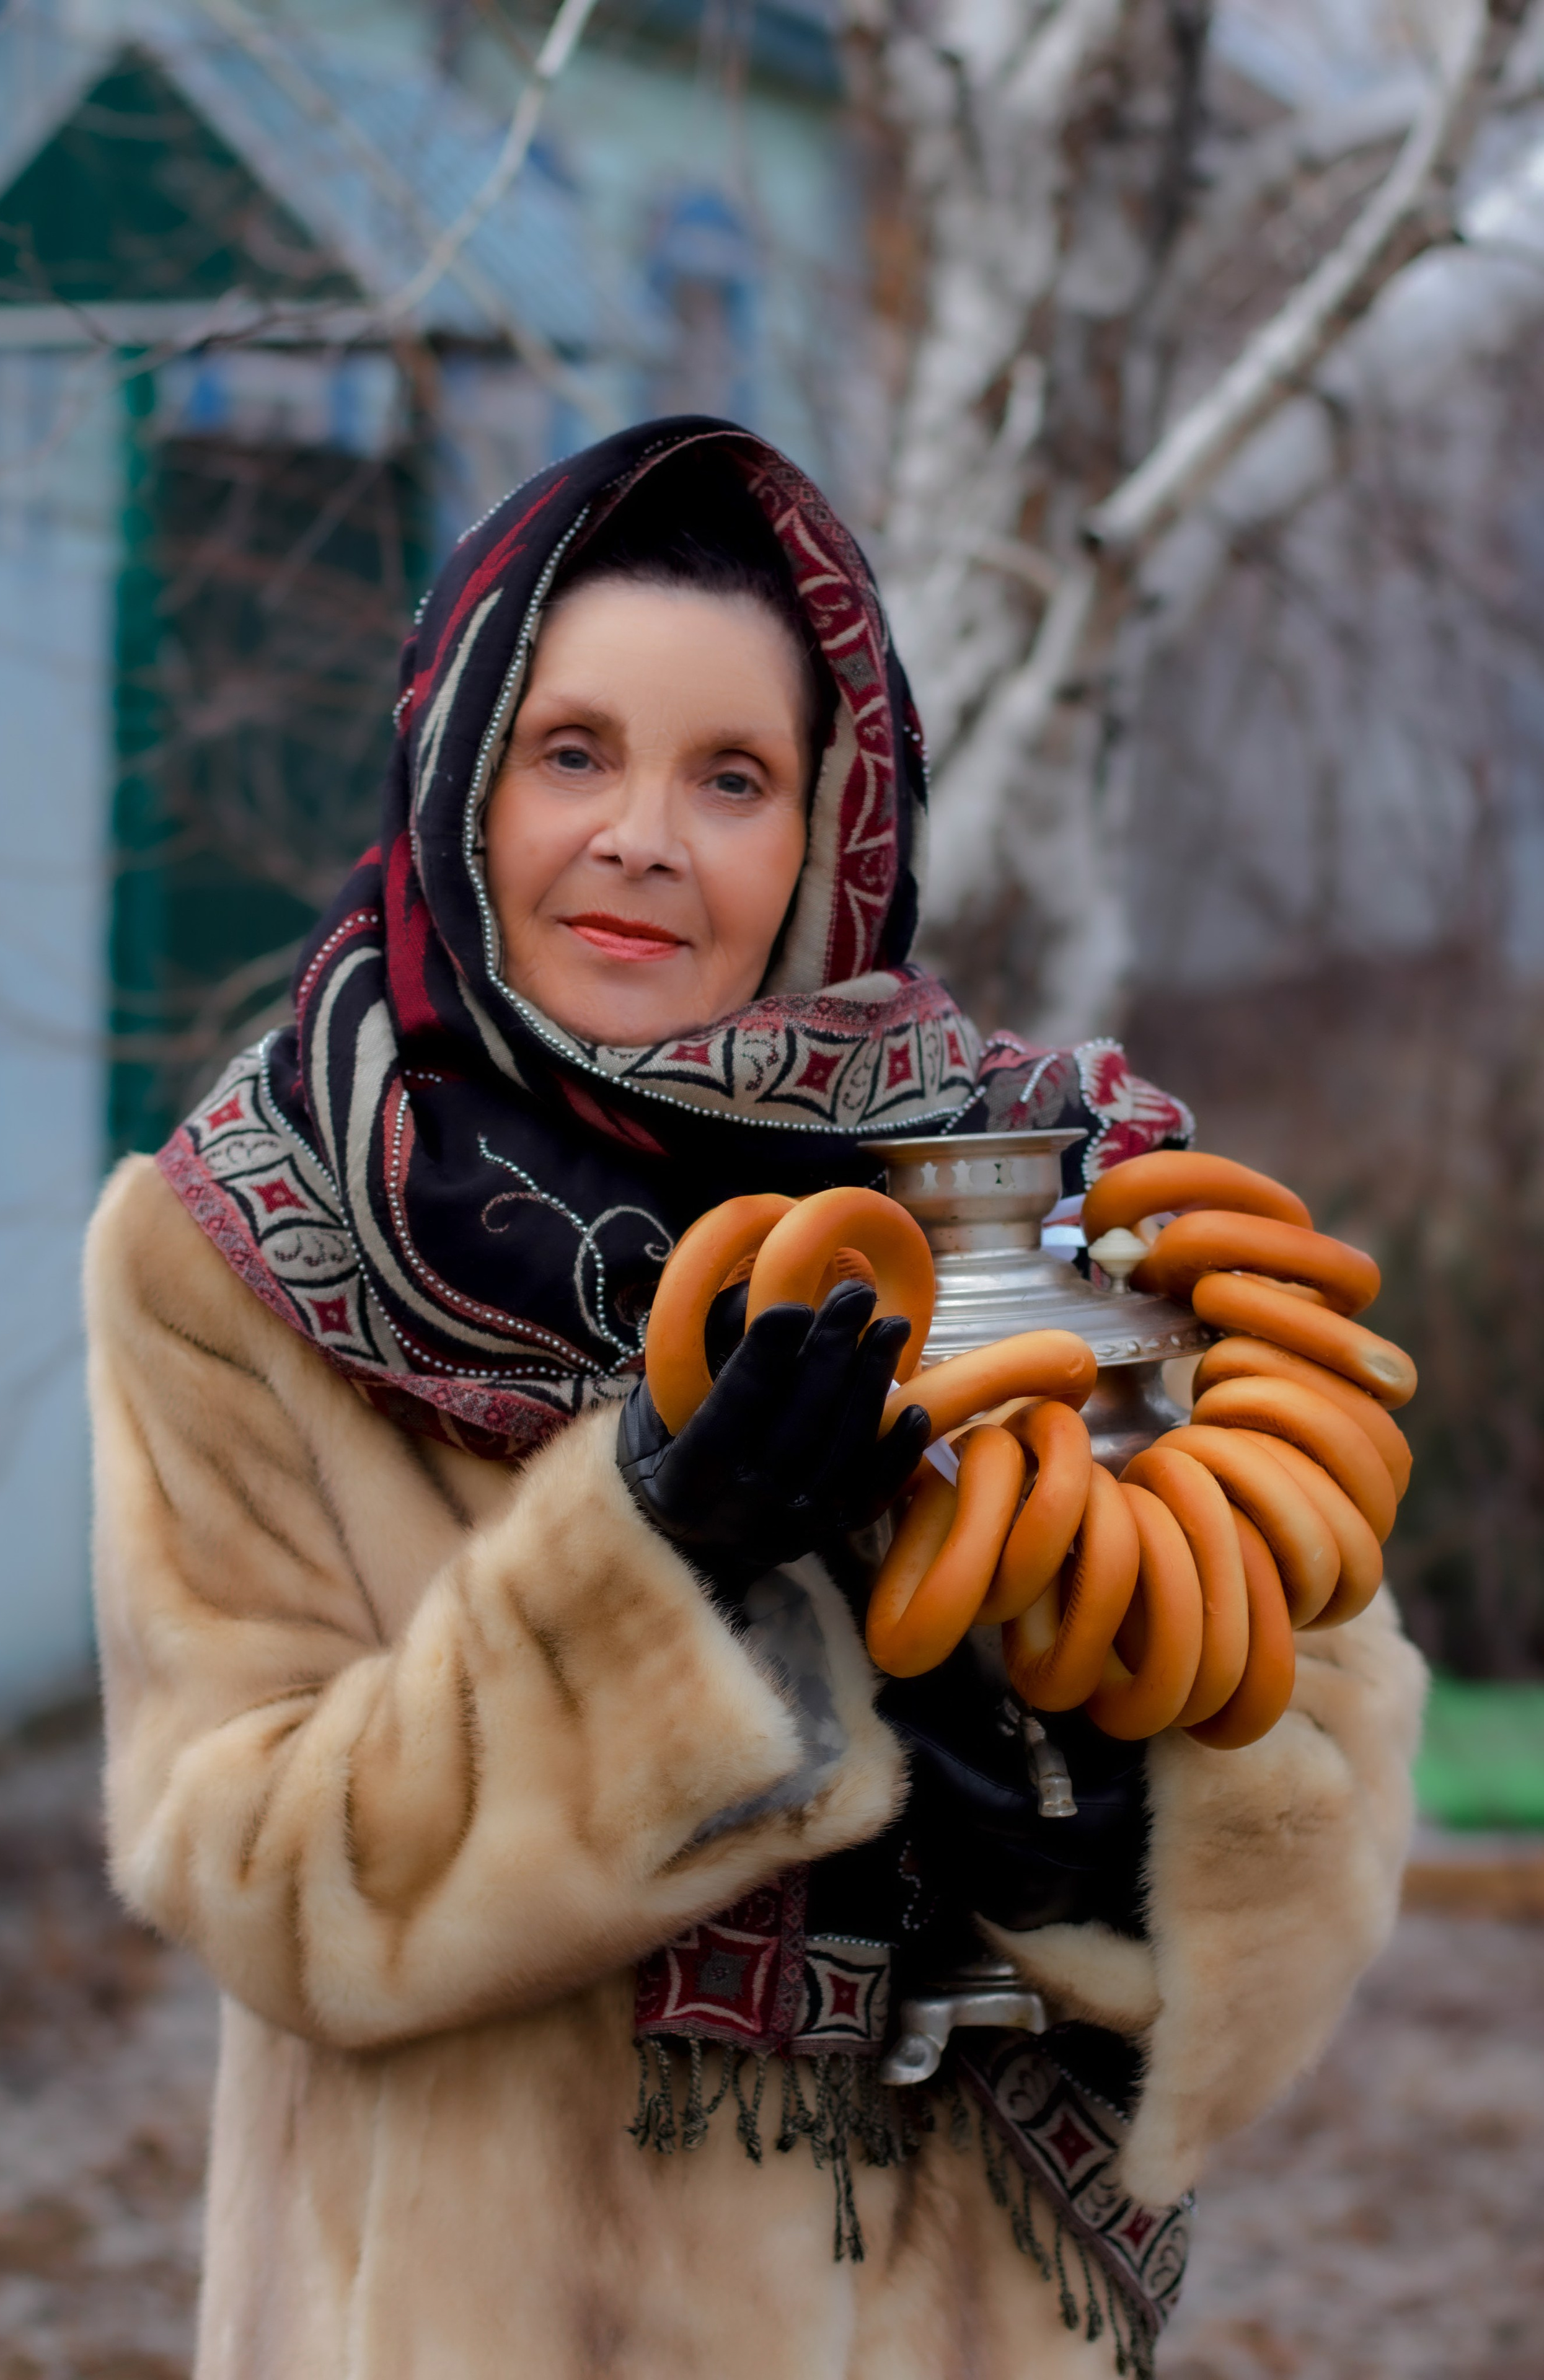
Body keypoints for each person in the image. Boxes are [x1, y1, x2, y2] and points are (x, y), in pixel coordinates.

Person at [84, 420, 1425, 2380]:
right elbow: (254, 1869)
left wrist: (1103, 1848)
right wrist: (651, 1570)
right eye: (574, 752)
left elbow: (1314, 1737)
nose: (642, 833)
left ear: (828, 831)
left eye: (734, 777)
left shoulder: (1020, 1197)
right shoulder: (245, 1240)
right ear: (458, 773)